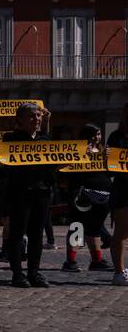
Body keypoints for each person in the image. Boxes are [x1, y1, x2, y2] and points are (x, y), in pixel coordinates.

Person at [0, 102, 57, 288]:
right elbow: (1, 166)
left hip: (42, 192)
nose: (37, 119)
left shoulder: (45, 139)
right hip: (19, 193)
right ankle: (17, 273)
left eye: (39, 115)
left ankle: (34, 272)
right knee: (17, 234)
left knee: (37, 235)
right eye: (32, 116)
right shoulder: (10, 139)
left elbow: (58, 162)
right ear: (20, 119)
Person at [61, 124, 112, 273]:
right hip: (83, 195)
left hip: (102, 196)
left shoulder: (103, 151)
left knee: (94, 229)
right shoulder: (77, 150)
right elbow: (67, 170)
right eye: (94, 134)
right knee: (77, 227)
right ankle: (70, 261)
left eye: (99, 134)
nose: (97, 137)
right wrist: (82, 155)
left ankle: (96, 260)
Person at [108, 114, 128, 286]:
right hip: (123, 188)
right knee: (121, 232)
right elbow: (112, 163)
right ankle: (118, 272)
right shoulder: (116, 137)